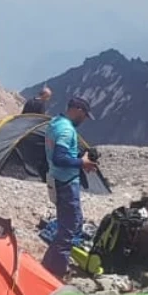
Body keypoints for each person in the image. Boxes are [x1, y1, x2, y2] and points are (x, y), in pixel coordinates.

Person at [41, 97, 96, 278]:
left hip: (57, 180)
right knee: (69, 228)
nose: (84, 120)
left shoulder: (55, 122)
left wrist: (81, 161)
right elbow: (60, 158)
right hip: (65, 184)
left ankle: (48, 264)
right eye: (85, 115)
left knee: (71, 223)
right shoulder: (66, 130)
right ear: (78, 110)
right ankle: (55, 273)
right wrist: (82, 162)